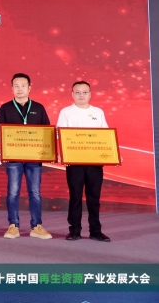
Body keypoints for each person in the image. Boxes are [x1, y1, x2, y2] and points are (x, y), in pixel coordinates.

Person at [0, 73, 52, 240]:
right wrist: (5, 149)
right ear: (12, 88)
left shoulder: (39, 108)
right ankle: (13, 225)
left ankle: (36, 226)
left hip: (34, 159)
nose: (20, 89)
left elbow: (46, 132)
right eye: (16, 86)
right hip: (14, 158)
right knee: (13, 192)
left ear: (29, 88)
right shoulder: (5, 108)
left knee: (35, 192)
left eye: (23, 85)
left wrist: (45, 152)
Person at [57, 81, 111, 242]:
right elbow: (60, 134)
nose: (81, 95)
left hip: (94, 162)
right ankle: (74, 231)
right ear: (72, 94)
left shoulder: (98, 112)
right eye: (78, 92)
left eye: (85, 92)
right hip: (74, 162)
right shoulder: (66, 112)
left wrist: (112, 154)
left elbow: (106, 135)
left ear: (90, 94)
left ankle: (96, 231)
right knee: (75, 197)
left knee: (94, 198)